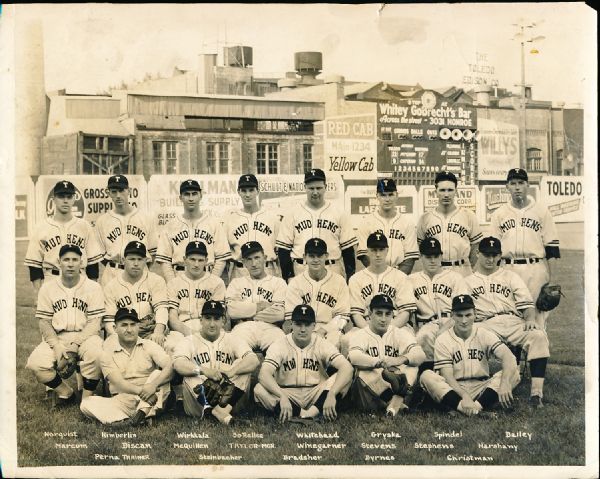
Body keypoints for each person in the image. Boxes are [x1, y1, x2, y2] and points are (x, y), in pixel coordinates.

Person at [464, 236, 550, 408]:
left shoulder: (511, 276)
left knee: (538, 335)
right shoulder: (467, 282)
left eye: (494, 255)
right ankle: (476, 389)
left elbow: (526, 304)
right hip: (485, 324)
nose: (490, 259)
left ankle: (536, 394)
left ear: (500, 256)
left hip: (513, 321)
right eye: (486, 254)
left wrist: (530, 320)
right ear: (477, 253)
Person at [26, 244, 104, 406]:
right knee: (36, 363)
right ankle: (66, 392)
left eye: (75, 260)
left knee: (97, 354)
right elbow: (44, 322)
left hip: (86, 336)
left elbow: (94, 322)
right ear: (58, 262)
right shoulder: (47, 288)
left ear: (81, 263)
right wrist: (56, 347)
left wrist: (75, 345)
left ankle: (87, 398)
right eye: (66, 259)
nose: (70, 263)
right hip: (58, 336)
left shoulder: (93, 287)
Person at [420, 294, 520, 416]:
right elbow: (448, 377)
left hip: (481, 386)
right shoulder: (443, 339)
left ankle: (467, 409)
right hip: (455, 388)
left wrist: (504, 382)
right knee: (426, 376)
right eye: (459, 315)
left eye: (468, 315)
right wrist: (464, 395)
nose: (464, 321)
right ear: (452, 316)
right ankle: (478, 411)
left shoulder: (484, 333)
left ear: (475, 314)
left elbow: (508, 356)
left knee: (514, 372)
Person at [254, 304, 353, 423]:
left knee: (343, 377)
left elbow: (347, 368)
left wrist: (332, 393)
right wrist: (282, 396)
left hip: (316, 392)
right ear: (291, 324)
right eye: (298, 324)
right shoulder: (279, 344)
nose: (302, 329)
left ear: (314, 326)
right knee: (259, 389)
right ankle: (306, 415)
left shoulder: (321, 343)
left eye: (307, 324)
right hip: (288, 393)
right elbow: (264, 374)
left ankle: (307, 414)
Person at [490, 167, 560, 328]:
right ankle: (514, 352)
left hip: (535, 270)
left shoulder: (542, 212)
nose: (517, 187)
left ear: (528, 185)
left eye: (521, 183)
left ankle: (538, 352)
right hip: (508, 269)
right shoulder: (499, 214)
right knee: (509, 313)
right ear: (507, 186)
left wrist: (553, 280)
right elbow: (493, 250)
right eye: (513, 183)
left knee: (537, 317)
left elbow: (552, 248)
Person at [80, 307, 173, 426]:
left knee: (158, 375)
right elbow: (119, 383)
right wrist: (143, 392)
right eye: (124, 325)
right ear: (115, 328)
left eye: (133, 325)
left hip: (151, 397)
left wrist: (153, 386)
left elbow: (170, 366)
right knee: (86, 403)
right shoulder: (107, 351)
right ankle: (131, 420)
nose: (129, 330)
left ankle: (139, 415)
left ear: (138, 326)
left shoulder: (148, 345)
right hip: (123, 400)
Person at [172, 301, 260, 424]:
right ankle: (211, 411)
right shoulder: (188, 341)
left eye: (216, 318)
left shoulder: (232, 338)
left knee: (242, 364)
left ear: (223, 321)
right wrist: (204, 370)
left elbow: (253, 360)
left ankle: (219, 413)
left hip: (228, 400)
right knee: (191, 369)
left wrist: (231, 372)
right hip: (198, 403)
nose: (212, 324)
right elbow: (178, 364)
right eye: (208, 318)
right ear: (201, 320)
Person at [347, 294, 426, 416]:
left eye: (387, 314)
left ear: (392, 315)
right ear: (370, 313)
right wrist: (379, 362)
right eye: (379, 313)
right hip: (370, 392)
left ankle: (394, 405)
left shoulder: (399, 333)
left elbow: (420, 355)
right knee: (363, 371)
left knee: (412, 365)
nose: (383, 319)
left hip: (396, 387)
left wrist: (401, 359)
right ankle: (397, 405)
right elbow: (354, 357)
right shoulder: (360, 334)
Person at [276, 168, 357, 282]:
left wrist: (350, 277)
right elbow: (283, 250)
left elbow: (347, 249)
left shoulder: (339, 213)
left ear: (326, 187)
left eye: (319, 188)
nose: (315, 192)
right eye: (311, 188)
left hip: (332, 269)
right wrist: (288, 277)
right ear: (305, 188)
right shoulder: (292, 213)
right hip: (301, 270)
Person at [25, 180, 102, 293]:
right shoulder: (41, 227)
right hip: (52, 279)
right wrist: (38, 293)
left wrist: (93, 290)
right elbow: (34, 265)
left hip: (80, 280)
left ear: (73, 199)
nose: (65, 200)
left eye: (69, 196)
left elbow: (92, 265)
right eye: (61, 196)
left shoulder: (84, 226)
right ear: (54, 199)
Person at [155, 179, 231, 283]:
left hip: (207, 276)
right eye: (187, 194)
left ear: (201, 196)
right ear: (180, 198)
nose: (191, 198)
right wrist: (172, 283)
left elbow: (221, 258)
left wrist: (212, 280)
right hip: (179, 277)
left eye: (194, 194)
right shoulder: (170, 225)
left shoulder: (214, 223)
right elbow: (165, 261)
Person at [410, 237, 468, 370]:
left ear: (441, 256)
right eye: (428, 256)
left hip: (452, 321)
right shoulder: (411, 280)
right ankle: (428, 375)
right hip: (426, 324)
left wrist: (445, 327)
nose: (432, 260)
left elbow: (463, 309)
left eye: (436, 256)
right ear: (421, 256)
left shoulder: (455, 277)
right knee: (424, 336)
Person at [284, 238, 350, 348]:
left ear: (326, 256)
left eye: (319, 256)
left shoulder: (339, 281)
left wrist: (324, 330)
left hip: (330, 330)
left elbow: (343, 316)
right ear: (304, 257)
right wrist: (308, 332)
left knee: (333, 344)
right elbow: (291, 318)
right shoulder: (295, 283)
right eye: (311, 256)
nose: (316, 260)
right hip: (302, 329)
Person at [94, 174, 157, 288]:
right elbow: (101, 256)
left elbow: (152, 252)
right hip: (113, 273)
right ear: (108, 193)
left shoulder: (146, 218)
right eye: (114, 191)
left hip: (140, 273)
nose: (118, 195)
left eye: (122, 190)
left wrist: (138, 265)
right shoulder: (102, 221)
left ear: (129, 191)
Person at [103, 241, 170, 347]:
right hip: (123, 333)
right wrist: (118, 338)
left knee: (170, 346)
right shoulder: (111, 286)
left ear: (145, 260)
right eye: (132, 259)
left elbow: (161, 308)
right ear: (124, 260)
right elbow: (109, 321)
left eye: (140, 259)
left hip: (150, 331)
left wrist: (158, 331)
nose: (136, 263)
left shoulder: (156, 280)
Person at [416, 170, 482, 277]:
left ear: (456, 191)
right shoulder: (425, 218)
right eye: (442, 190)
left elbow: (475, 248)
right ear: (435, 191)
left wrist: (473, 273)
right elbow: (421, 248)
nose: (446, 195)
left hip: (461, 270)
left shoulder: (468, 216)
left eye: (450, 190)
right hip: (436, 271)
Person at [165, 240, 226, 353]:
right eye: (192, 259)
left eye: (200, 260)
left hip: (208, 326)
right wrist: (191, 334)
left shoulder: (217, 282)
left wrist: (203, 334)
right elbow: (173, 319)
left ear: (206, 261)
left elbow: (219, 316)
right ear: (184, 260)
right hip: (181, 327)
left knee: (221, 346)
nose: (196, 264)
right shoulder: (174, 283)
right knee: (171, 345)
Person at [226, 241, 286, 353]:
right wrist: (259, 306)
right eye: (249, 259)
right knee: (232, 347)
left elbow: (279, 313)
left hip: (271, 328)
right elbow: (232, 311)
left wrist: (247, 314)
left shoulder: (278, 282)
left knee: (282, 349)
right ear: (243, 262)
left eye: (257, 257)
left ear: (265, 258)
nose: (254, 263)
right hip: (243, 328)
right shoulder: (236, 283)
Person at [348, 232, 416, 331]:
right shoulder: (356, 279)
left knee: (410, 340)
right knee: (347, 340)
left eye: (381, 249)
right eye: (374, 250)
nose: (378, 254)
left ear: (387, 250)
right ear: (367, 251)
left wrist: (389, 330)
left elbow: (405, 312)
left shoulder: (401, 277)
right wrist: (370, 331)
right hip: (366, 325)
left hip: (395, 324)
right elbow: (356, 314)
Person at [356, 177, 419, 274]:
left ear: (396, 195)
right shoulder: (366, 222)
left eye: (390, 195)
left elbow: (410, 258)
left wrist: (396, 277)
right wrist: (381, 273)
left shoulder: (407, 223)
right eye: (383, 195)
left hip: (400, 274)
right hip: (374, 274)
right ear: (377, 196)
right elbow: (364, 256)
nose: (387, 199)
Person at [224, 174, 281, 280]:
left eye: (251, 190)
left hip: (267, 269)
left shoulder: (272, 217)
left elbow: (280, 252)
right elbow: (223, 254)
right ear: (238, 192)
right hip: (240, 271)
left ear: (257, 191)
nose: (247, 194)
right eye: (244, 190)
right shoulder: (230, 219)